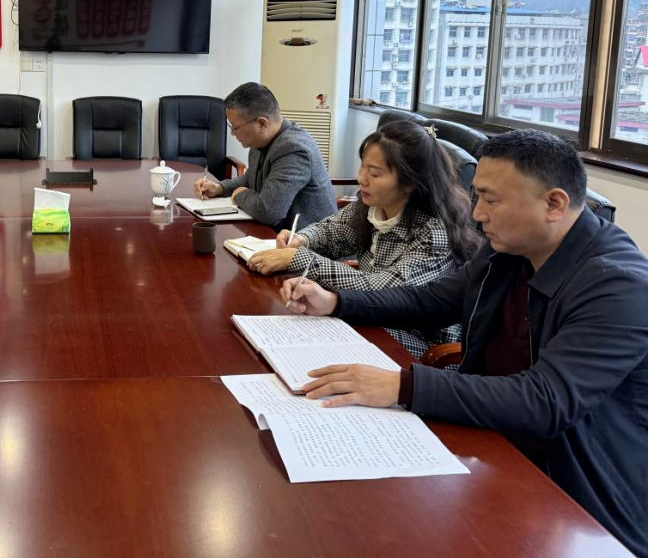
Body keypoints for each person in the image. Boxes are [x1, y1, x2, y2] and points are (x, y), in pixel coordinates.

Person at [281, 129, 648, 556]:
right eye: (476, 196)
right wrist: (337, 302)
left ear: (554, 204)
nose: (477, 214)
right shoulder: (507, 249)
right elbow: (432, 300)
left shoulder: (618, 286)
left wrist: (403, 385)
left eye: (490, 200)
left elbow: (544, 401)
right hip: (487, 442)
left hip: (575, 500)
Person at [247, 120, 481, 359]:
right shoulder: (373, 205)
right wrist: (302, 239)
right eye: (362, 168)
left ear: (410, 182)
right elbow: (332, 231)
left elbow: (386, 291)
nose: (362, 179)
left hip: (418, 343)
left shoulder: (435, 231)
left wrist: (300, 259)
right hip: (372, 317)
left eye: (375, 173)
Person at [193, 82, 336, 230]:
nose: (232, 133)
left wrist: (239, 195)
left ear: (262, 124)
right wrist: (220, 188)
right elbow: (250, 179)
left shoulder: (294, 149)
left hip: (307, 241)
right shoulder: (260, 141)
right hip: (276, 234)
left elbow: (268, 212)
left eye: (235, 127)